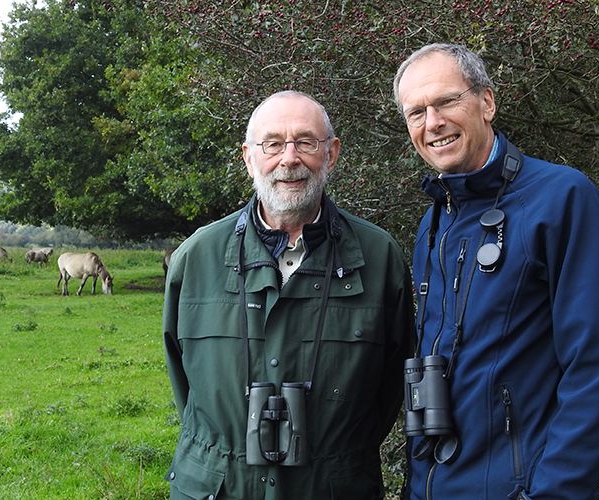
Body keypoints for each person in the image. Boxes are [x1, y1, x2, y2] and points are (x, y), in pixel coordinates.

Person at [393, 43, 599, 499]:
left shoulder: (561, 198)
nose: (432, 122)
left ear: (487, 102)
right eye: (416, 112)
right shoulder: (433, 222)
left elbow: (597, 362)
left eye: (446, 101)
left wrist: (557, 491)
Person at [162, 90, 414, 499]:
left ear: (331, 154)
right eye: (273, 144)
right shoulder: (196, 257)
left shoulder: (377, 256)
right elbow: (183, 380)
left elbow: (390, 386)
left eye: (306, 142)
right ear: (248, 158)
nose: (289, 158)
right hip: (219, 488)